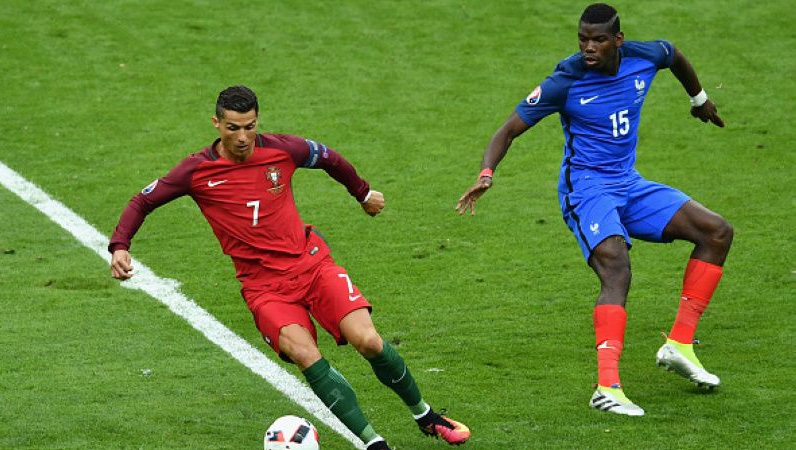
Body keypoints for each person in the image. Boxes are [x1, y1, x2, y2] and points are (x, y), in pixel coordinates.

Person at [109, 85, 470, 448]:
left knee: (369, 340)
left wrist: (361, 193)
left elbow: (329, 157)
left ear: (257, 121)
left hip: (311, 265)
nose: (243, 137)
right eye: (233, 128)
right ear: (216, 123)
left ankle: (425, 415)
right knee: (306, 355)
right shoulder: (196, 170)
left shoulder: (283, 149)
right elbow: (142, 201)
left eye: (249, 126)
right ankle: (374, 443)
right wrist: (120, 246)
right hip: (264, 287)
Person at [456, 3, 732, 416]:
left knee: (716, 232)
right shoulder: (565, 80)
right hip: (586, 190)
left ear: (617, 40)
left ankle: (679, 345)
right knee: (616, 266)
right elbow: (508, 129)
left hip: (629, 183)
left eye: (598, 39)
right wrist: (486, 172)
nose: (588, 47)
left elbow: (674, 55)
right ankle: (607, 387)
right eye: (583, 38)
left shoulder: (643, 56)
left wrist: (700, 99)